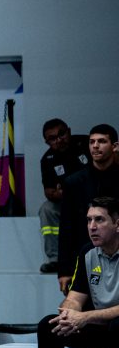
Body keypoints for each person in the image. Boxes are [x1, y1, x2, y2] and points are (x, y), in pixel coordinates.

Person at [28, 196, 119, 348]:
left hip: (115, 325)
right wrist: (68, 314)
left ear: (117, 224)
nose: (92, 226)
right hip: (100, 326)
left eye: (99, 220)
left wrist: (85, 317)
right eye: (89, 220)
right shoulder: (88, 253)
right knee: (49, 327)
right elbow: (75, 297)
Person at [57, 124, 119, 293]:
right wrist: (64, 270)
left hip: (117, 256)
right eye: (92, 142)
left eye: (102, 141)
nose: (95, 146)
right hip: (84, 257)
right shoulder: (74, 182)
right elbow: (66, 227)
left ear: (115, 146)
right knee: (79, 306)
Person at [38, 119, 90, 273]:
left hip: (94, 197)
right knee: (47, 209)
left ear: (69, 131)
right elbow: (48, 191)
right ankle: (55, 260)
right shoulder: (47, 159)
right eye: (53, 138)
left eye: (62, 134)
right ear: (47, 142)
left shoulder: (86, 143)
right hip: (68, 201)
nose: (59, 140)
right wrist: (57, 194)